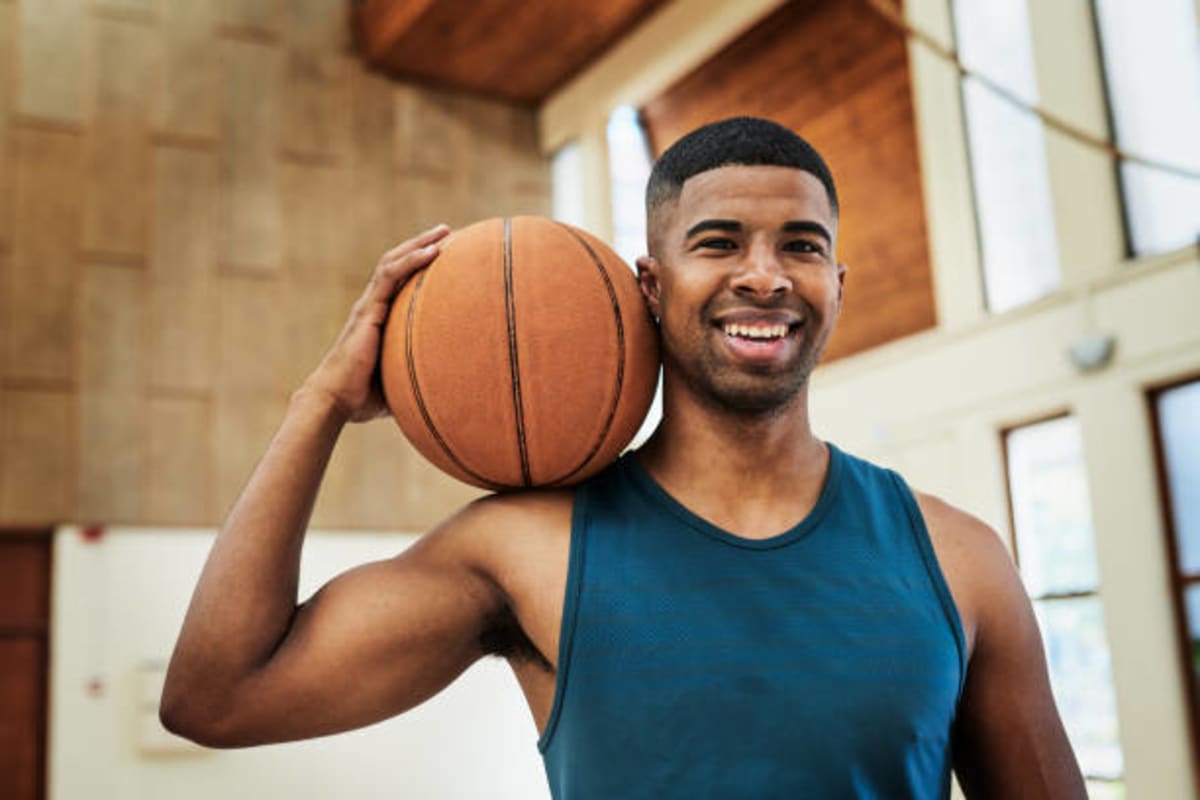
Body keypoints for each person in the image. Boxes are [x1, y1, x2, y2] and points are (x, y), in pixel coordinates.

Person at [161, 117, 1086, 798]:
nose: (763, 275)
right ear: (650, 284)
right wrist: (320, 402)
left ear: (836, 287)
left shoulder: (960, 562)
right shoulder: (528, 546)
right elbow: (218, 698)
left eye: (800, 248)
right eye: (717, 243)